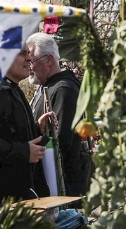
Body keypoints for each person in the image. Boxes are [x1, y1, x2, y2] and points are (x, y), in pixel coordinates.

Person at [0, 48, 50, 202]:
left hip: (14, 198)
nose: (29, 58)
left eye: (29, 54)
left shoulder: (13, 89)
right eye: (22, 53)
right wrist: (24, 152)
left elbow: (9, 133)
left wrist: (37, 128)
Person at [26, 33, 89, 196]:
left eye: (31, 61)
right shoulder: (47, 88)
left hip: (63, 184)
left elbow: (62, 139)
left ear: (49, 60)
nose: (29, 67)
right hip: (53, 180)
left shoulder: (63, 90)